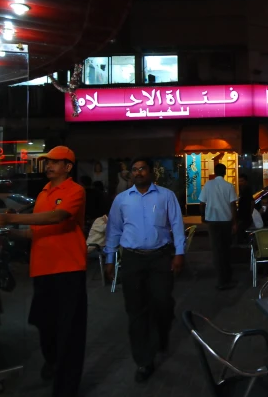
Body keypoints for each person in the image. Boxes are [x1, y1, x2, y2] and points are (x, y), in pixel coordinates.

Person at [0, 146, 87, 397]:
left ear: (68, 167)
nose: (48, 166)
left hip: (68, 269)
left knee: (69, 332)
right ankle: (53, 363)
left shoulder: (75, 190)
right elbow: (35, 231)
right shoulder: (43, 193)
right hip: (42, 270)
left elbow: (57, 218)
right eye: (46, 162)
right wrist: (8, 232)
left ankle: (66, 388)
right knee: (43, 323)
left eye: (54, 162)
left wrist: (11, 219)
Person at [103, 157, 186, 383]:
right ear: (131, 174)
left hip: (160, 257)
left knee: (162, 302)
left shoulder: (166, 196)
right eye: (135, 170)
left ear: (151, 172)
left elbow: (177, 225)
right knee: (136, 310)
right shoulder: (121, 200)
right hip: (132, 259)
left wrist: (179, 253)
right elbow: (113, 230)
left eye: (143, 169)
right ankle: (143, 361)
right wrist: (109, 258)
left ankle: (161, 334)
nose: (138, 173)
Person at [199, 163, 238, 290]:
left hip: (213, 221)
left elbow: (202, 202)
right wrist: (234, 222)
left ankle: (221, 279)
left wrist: (203, 216)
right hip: (226, 221)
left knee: (217, 251)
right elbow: (233, 205)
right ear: (225, 172)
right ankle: (226, 278)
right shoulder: (229, 186)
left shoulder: (208, 185)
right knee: (226, 250)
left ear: (215, 172)